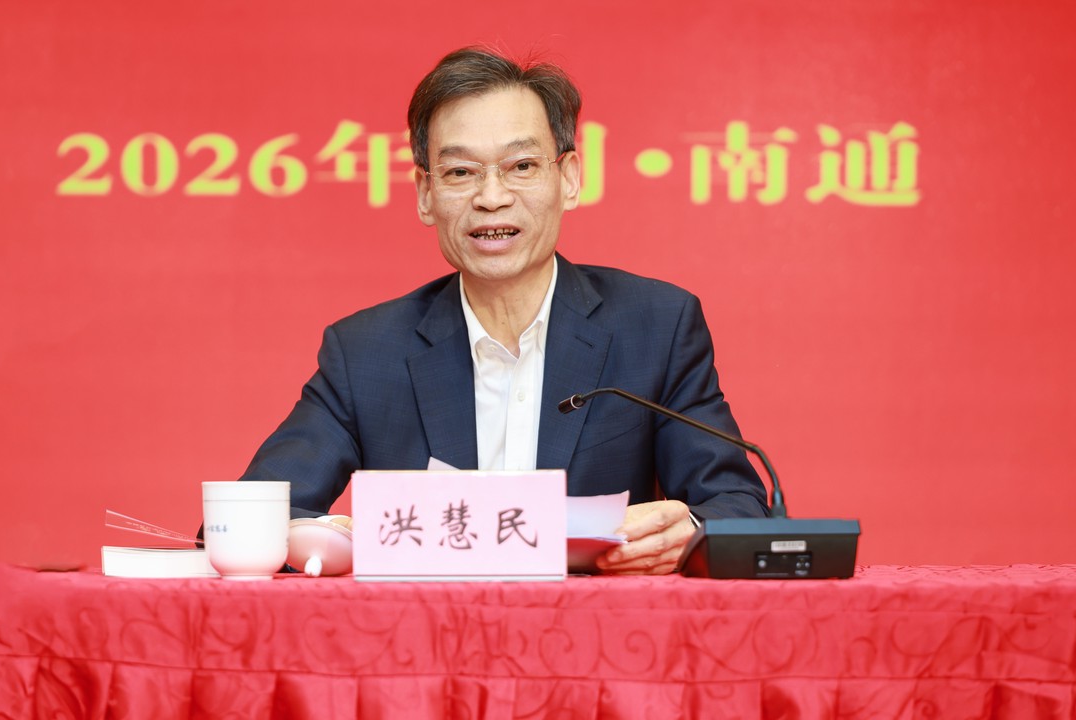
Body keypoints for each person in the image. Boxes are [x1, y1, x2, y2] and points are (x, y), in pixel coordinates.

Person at [238, 47, 769, 575]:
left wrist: (688, 532)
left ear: (569, 179)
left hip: (594, 626)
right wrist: (347, 539)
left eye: (522, 166)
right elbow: (251, 519)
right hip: (428, 626)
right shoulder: (366, 353)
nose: (491, 197)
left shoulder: (656, 327)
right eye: (460, 172)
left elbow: (737, 509)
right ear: (426, 193)